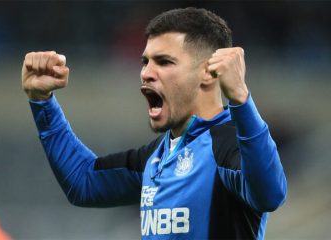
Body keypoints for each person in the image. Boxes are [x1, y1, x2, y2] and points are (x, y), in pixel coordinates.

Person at [21, 7, 287, 239]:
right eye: (145, 61)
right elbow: (83, 182)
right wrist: (41, 101)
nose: (146, 73)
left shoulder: (226, 144)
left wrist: (240, 98)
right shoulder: (157, 156)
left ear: (208, 72)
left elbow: (270, 194)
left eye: (164, 62)